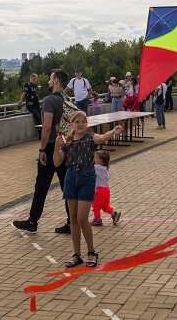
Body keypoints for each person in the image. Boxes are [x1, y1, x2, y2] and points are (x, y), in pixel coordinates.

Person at [55, 111, 123, 268]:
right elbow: (57, 162)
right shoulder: (68, 141)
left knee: (81, 218)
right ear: (71, 124)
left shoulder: (89, 137)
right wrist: (56, 147)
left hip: (86, 177)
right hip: (71, 177)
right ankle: (76, 254)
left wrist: (113, 131)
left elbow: (102, 137)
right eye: (77, 121)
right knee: (72, 217)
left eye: (83, 121)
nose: (80, 124)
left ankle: (91, 252)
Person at [12, 69, 72, 234]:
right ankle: (71, 222)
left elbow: (46, 127)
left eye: (51, 79)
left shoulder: (49, 100)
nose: (48, 81)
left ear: (57, 81)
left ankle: (32, 221)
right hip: (65, 146)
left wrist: (42, 149)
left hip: (52, 146)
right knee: (66, 186)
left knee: (41, 186)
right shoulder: (66, 99)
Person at [91, 150, 121, 227]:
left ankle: (97, 219)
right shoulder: (105, 168)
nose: (94, 159)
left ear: (101, 160)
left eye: (95, 158)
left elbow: (88, 167)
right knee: (105, 206)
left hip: (99, 190)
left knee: (96, 206)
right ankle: (114, 213)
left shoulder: (97, 168)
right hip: (106, 190)